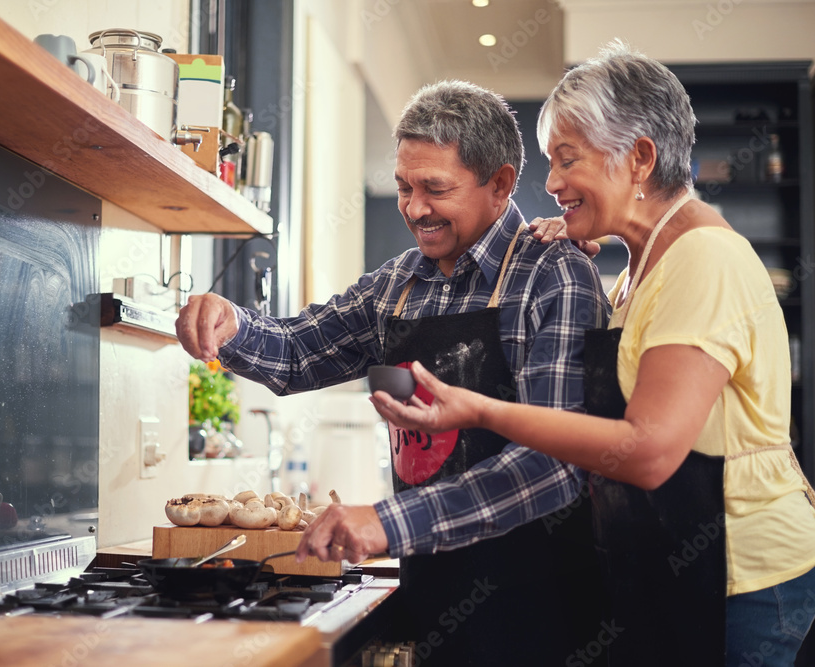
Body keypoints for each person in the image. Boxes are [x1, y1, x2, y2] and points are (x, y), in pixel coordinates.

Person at [368, 43, 815, 667]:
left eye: (567, 160)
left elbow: (650, 450)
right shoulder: (635, 267)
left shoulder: (703, 259)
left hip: (744, 581)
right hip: (675, 569)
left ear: (638, 158)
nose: (549, 184)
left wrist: (479, 410)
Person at [177, 80, 611, 665]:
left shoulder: (552, 275)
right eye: (405, 186)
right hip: (431, 581)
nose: (412, 208)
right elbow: (299, 350)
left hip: (538, 599)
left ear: (501, 184)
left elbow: (555, 463)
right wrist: (231, 324)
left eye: (435, 189)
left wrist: (388, 521)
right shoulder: (398, 284)